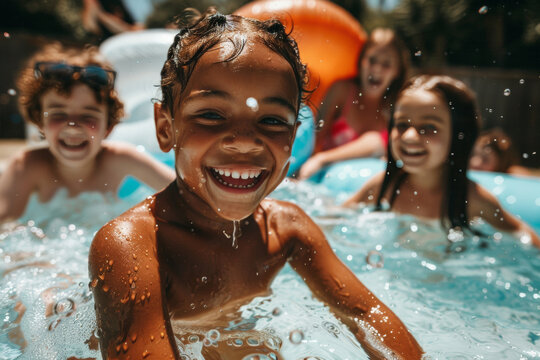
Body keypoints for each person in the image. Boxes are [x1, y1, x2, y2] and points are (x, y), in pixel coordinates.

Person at [89, 9, 424, 359]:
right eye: (212, 114)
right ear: (164, 127)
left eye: (271, 120)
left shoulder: (286, 229)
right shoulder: (132, 245)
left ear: (294, 139)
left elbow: (365, 314)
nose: (246, 140)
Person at [344, 75, 540, 249]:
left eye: (429, 127)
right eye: (402, 124)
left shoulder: (471, 199)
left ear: (458, 137)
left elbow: (523, 237)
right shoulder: (382, 187)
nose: (410, 136)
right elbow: (335, 219)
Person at [0, 43, 175, 223]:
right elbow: (5, 229)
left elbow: (190, 198)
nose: (73, 126)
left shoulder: (121, 159)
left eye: (87, 116)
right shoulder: (27, 166)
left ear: (108, 127)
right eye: (59, 114)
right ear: (40, 122)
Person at [298, 28, 409, 180]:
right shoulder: (342, 91)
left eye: (386, 64)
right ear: (361, 61)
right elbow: (313, 139)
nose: (376, 68)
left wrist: (322, 159)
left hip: (360, 183)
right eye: (372, 60)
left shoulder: (395, 108)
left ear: (396, 71)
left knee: (376, 141)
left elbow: (390, 154)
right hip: (324, 178)